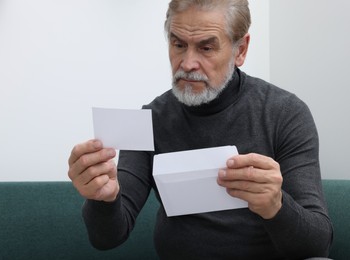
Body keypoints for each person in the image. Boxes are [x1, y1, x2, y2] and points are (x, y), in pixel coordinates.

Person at [68, 0, 333, 259]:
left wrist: (276, 206)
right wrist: (103, 198)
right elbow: (107, 238)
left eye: (206, 48)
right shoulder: (148, 119)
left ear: (240, 50)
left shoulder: (286, 113)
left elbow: (318, 245)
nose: (187, 64)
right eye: (178, 44)